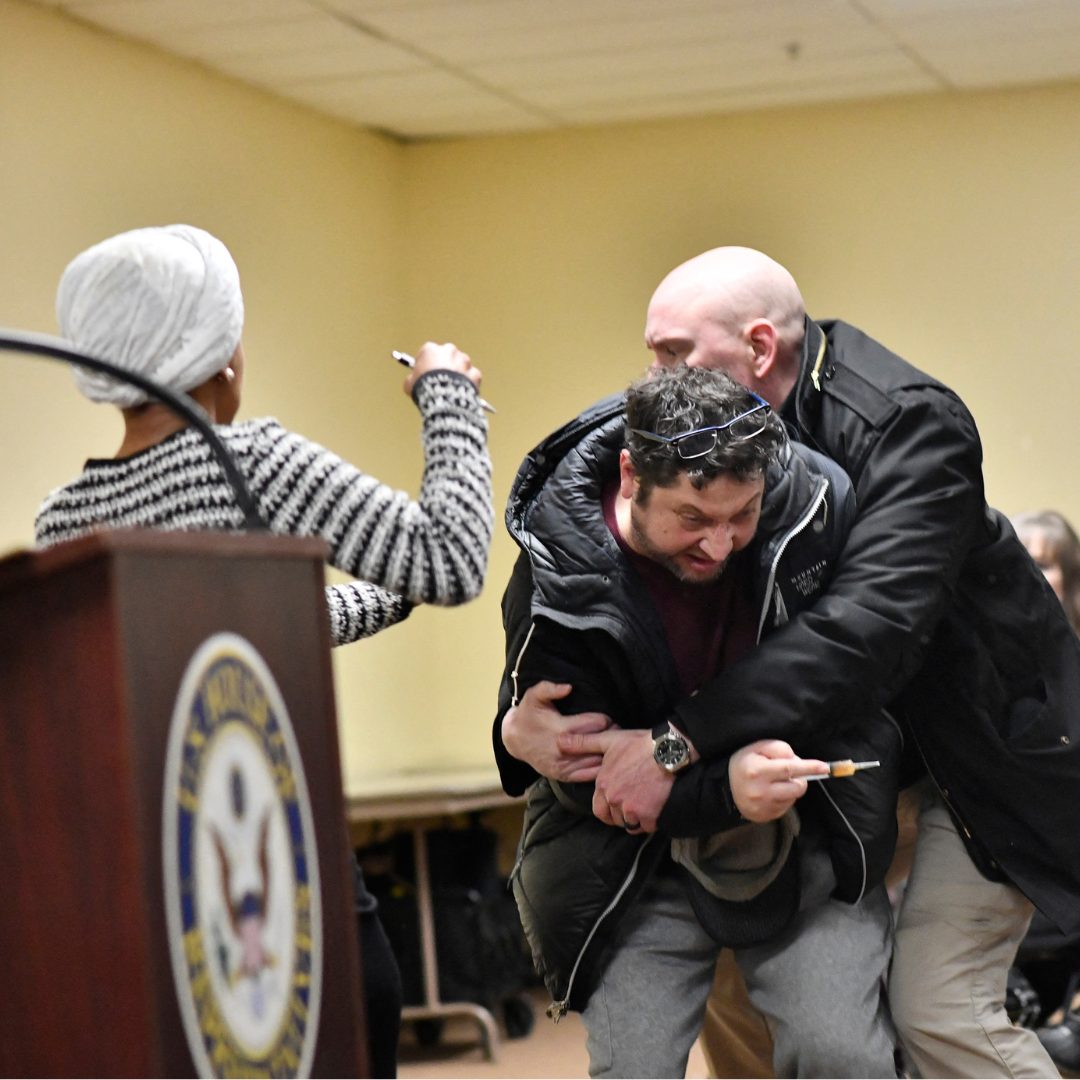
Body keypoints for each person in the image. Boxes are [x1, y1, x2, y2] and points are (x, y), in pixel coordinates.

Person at [507, 246, 1080, 1078]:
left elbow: (858, 638)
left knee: (936, 1012)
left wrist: (676, 744)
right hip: (805, 765)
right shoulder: (682, 439)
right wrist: (513, 730)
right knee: (750, 1017)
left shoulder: (907, 425)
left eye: (673, 353)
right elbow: (556, 613)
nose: (652, 374)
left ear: (761, 349)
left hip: (974, 756)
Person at [33, 223, 494, 1079]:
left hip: (161, 894)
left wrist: (390, 594)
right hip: (288, 870)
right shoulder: (255, 462)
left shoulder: (66, 520)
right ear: (223, 357)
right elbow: (454, 559)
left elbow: (242, 635)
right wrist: (449, 401)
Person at [496, 365, 900, 1078]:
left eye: (741, 515)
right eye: (693, 518)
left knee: (842, 1054)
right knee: (635, 1068)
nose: (719, 544)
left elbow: (847, 680)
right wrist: (722, 788)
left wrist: (684, 765)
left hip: (806, 825)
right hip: (631, 861)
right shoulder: (556, 574)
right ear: (630, 476)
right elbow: (595, 783)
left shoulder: (814, 509)